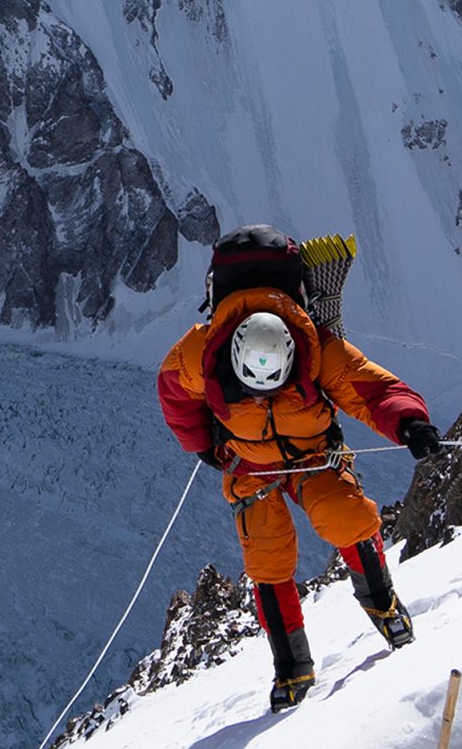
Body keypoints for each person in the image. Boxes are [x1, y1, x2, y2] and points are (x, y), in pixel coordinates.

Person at [156, 225, 442, 711]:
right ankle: (291, 666)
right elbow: (173, 390)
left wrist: (410, 423)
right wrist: (203, 444)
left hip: (311, 455)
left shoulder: (316, 348)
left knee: (347, 517)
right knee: (267, 562)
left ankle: (383, 602)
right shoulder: (201, 352)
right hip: (251, 466)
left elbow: (372, 389)